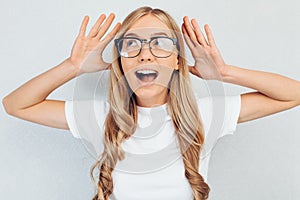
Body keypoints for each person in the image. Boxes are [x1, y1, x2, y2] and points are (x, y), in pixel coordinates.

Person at [2, 6, 300, 200]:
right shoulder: (99, 116)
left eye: (160, 43)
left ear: (178, 61)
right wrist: (73, 66)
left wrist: (223, 73)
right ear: (119, 62)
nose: (146, 54)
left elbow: (293, 93)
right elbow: (16, 105)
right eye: (132, 43)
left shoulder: (205, 115)